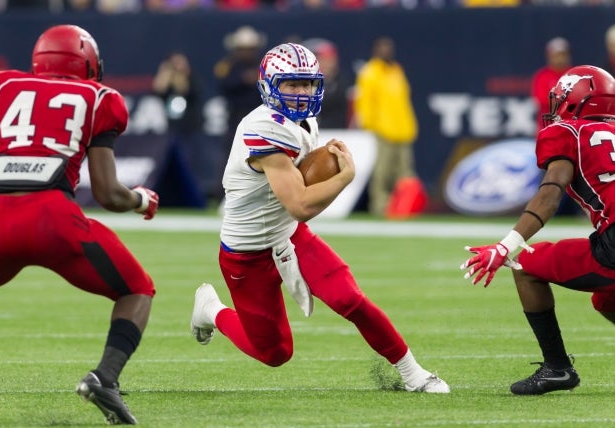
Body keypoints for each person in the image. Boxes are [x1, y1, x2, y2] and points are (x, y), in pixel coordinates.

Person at [190, 42, 450, 394]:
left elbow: (297, 205)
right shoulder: (264, 128)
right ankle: (212, 311)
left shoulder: (305, 121)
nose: (302, 93)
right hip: (247, 253)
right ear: (269, 85)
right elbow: (301, 203)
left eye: (308, 84)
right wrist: (343, 178)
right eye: (291, 84)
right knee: (275, 353)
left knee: (349, 299)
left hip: (289, 236)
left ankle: (413, 373)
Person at [0, 24, 159, 424]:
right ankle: (104, 379)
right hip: (54, 218)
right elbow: (107, 193)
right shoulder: (100, 97)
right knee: (137, 289)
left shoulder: (1, 87)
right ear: (86, 62)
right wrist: (141, 198)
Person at [461, 65, 615, 396]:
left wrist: (506, 246)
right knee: (606, 299)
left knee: (526, 266)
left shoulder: (569, 133)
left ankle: (558, 368)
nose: (557, 106)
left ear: (577, 101)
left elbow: (550, 193)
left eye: (562, 99)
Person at [353, 36, 419, 216]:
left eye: (389, 48)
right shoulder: (370, 72)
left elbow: (404, 101)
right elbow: (364, 102)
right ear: (376, 50)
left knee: (405, 172)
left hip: (402, 129)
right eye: (383, 48)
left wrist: (409, 125)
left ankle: (405, 206)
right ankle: (380, 206)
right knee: (382, 172)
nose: (387, 52)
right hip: (382, 130)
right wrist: (369, 126)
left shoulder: (396, 70)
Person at [301, 38, 352, 129]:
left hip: (339, 131)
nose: (328, 64)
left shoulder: (342, 83)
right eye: (324, 60)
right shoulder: (307, 83)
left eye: (331, 60)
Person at [531, 37, 572, 132]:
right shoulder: (542, 76)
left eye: (563, 55)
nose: (560, 58)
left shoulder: (574, 73)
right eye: (556, 55)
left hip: (570, 127)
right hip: (547, 127)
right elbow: (542, 101)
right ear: (549, 56)